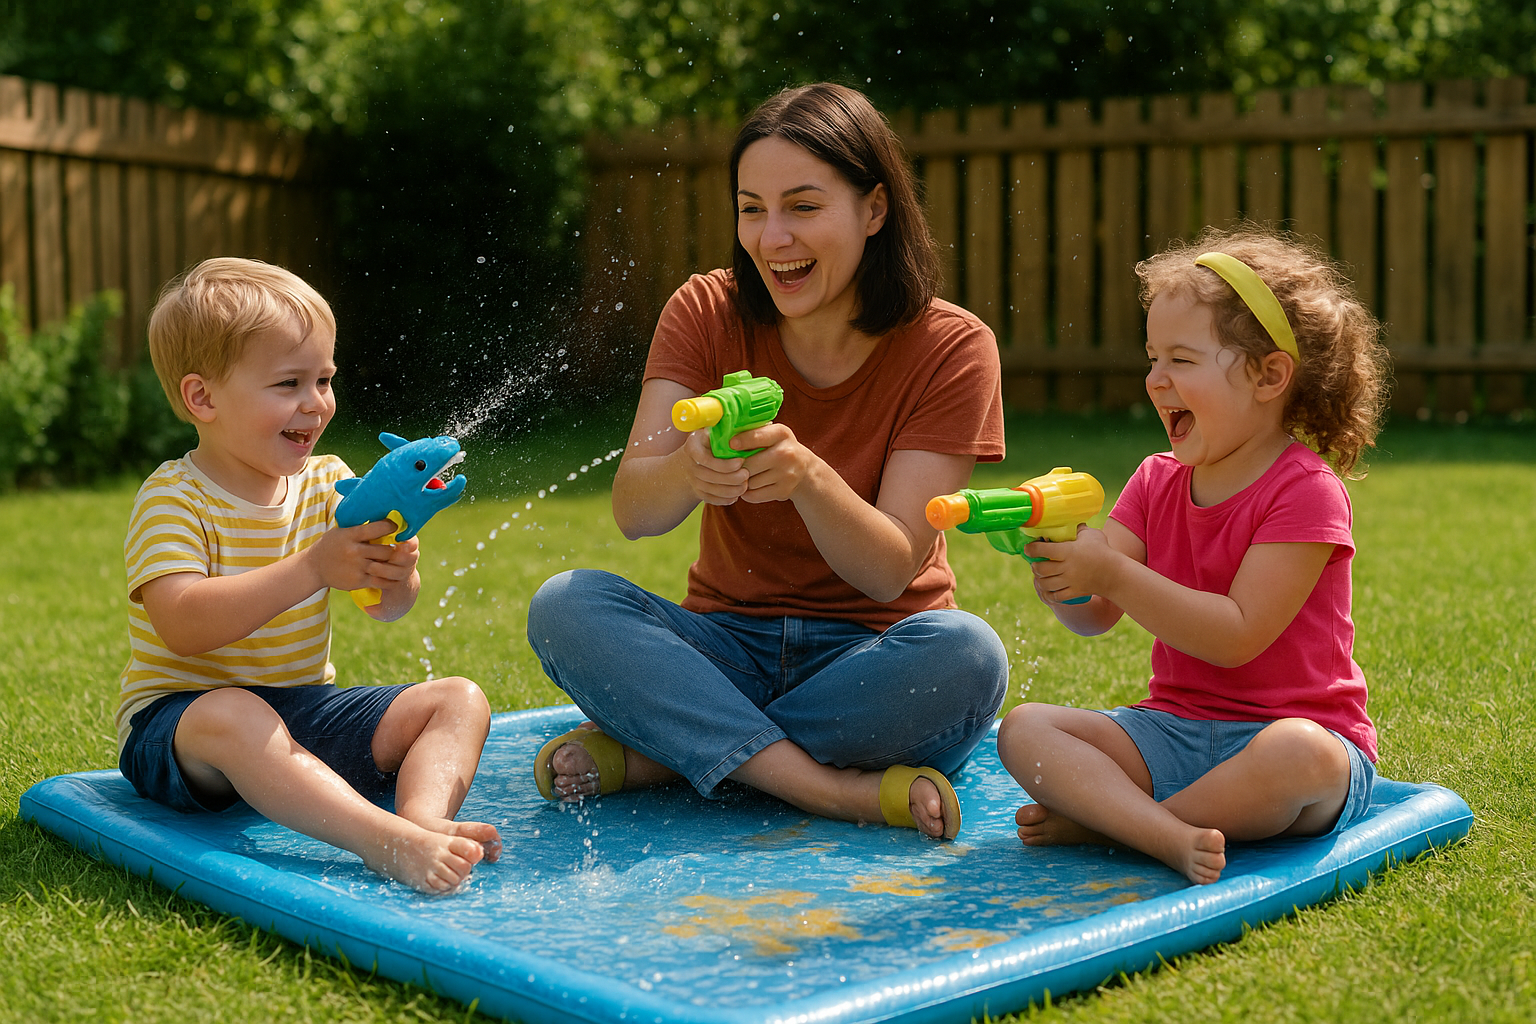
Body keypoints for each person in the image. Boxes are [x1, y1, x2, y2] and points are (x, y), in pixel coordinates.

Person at [526, 83, 1008, 839]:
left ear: (874, 210)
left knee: (969, 657)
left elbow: (888, 570)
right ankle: (823, 787)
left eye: (804, 207)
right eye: (752, 208)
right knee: (567, 605)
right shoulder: (704, 309)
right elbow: (634, 512)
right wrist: (686, 473)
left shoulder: (952, 347)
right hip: (724, 645)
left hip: (875, 655)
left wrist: (808, 477)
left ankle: (669, 755)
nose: (772, 237)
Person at [996, 225, 1390, 884]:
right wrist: (1063, 573)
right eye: (1151, 358)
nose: (1155, 380)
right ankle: (1151, 827)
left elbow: (1237, 636)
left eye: (1180, 359)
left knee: (1297, 755)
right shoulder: (1155, 480)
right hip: (1173, 731)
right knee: (1024, 730)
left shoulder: (1307, 492)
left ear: (1269, 376)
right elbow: (1096, 612)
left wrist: (1113, 571)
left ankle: (1127, 826)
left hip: (1294, 740)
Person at [117, 257, 500, 893]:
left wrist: (395, 576)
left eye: (324, 379)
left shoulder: (329, 482)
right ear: (202, 397)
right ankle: (377, 839)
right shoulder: (174, 497)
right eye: (288, 383)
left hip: (303, 713)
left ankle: (422, 821)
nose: (315, 403)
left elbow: (386, 609)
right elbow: (182, 624)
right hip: (183, 729)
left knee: (458, 699)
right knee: (237, 714)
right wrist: (313, 566)